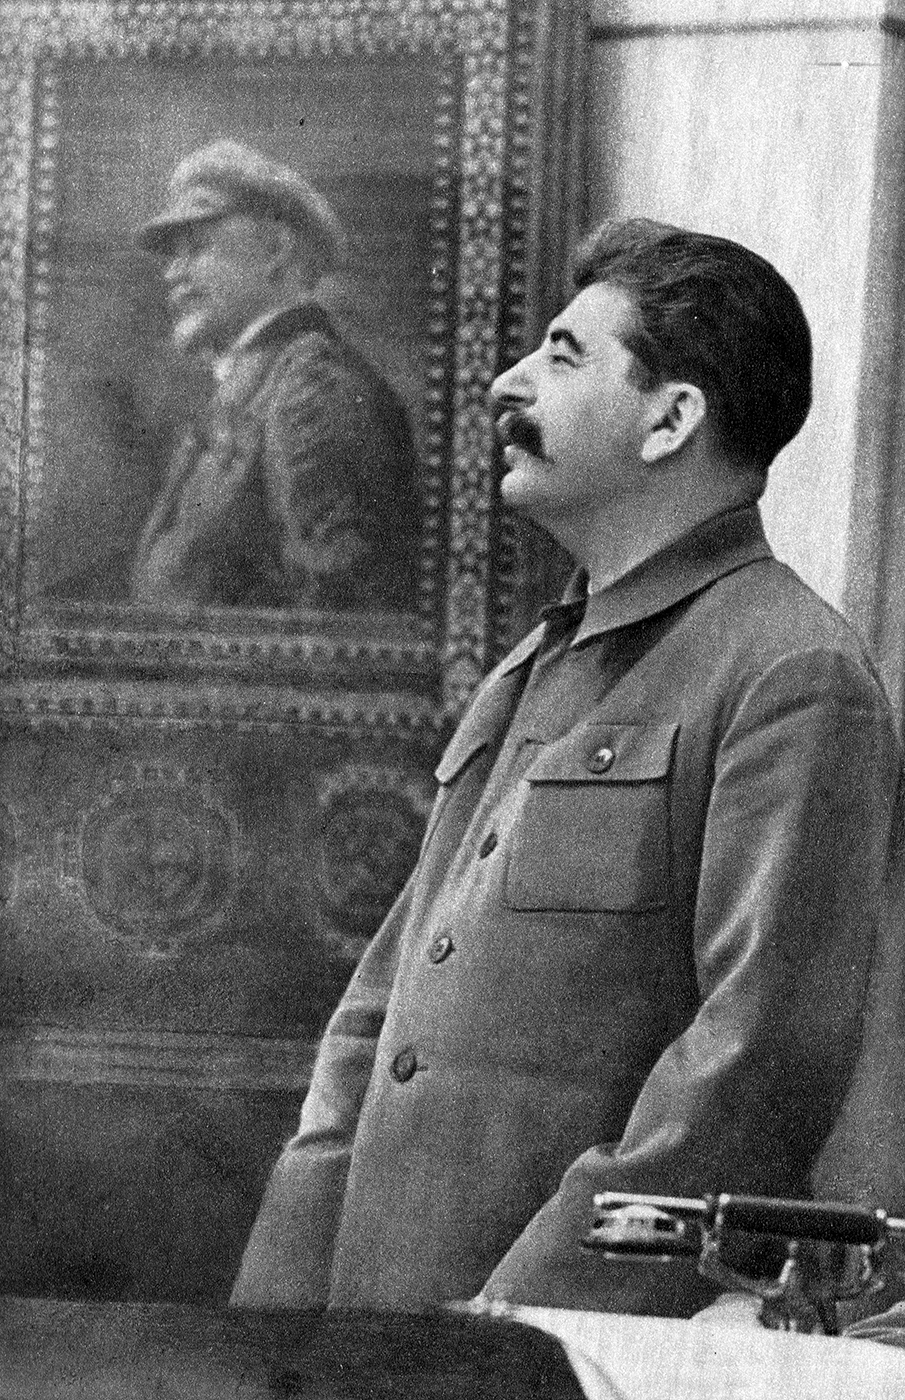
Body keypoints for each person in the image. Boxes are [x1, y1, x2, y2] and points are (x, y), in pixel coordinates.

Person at [230, 218, 903, 1317]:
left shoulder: (790, 673)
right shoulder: (536, 664)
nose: (508, 382)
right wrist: (275, 1324)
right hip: (377, 1336)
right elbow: (378, 1016)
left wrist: (518, 1324)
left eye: (561, 354)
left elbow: (752, 1066)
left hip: (546, 1348)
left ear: (670, 419)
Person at [130, 139, 419, 611]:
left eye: (197, 248)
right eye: (172, 256)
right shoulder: (260, 381)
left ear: (276, 251)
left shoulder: (313, 389)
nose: (172, 274)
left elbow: (337, 621)